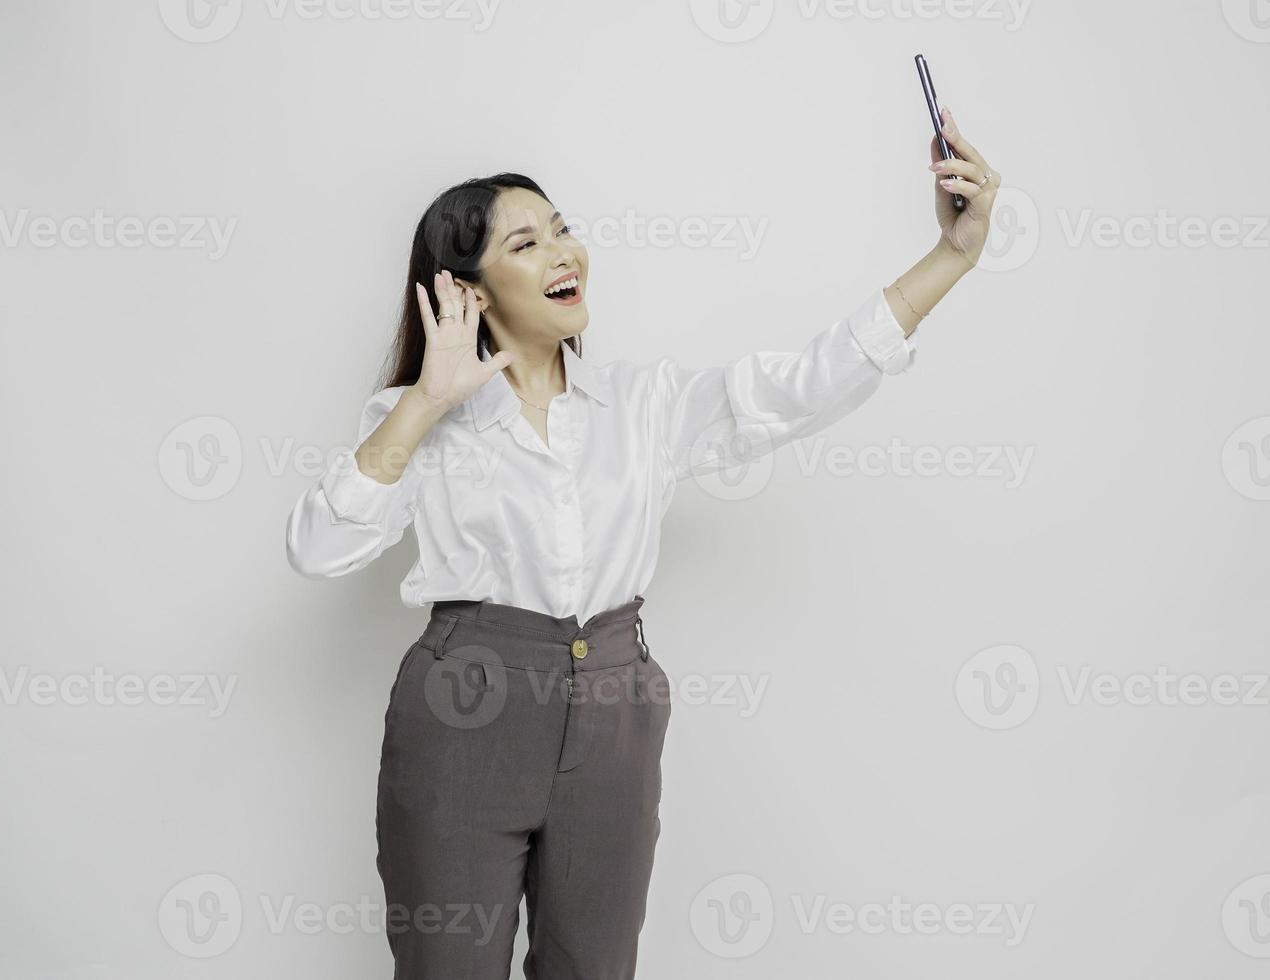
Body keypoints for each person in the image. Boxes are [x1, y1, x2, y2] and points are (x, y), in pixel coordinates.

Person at [286, 107, 998, 979]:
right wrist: (425, 401)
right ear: (467, 290)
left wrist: (953, 257)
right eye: (526, 244)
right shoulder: (421, 422)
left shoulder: (644, 405)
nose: (563, 254)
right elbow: (318, 548)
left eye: (563, 231)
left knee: (594, 967)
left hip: (616, 712)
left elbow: (806, 383)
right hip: (464, 712)